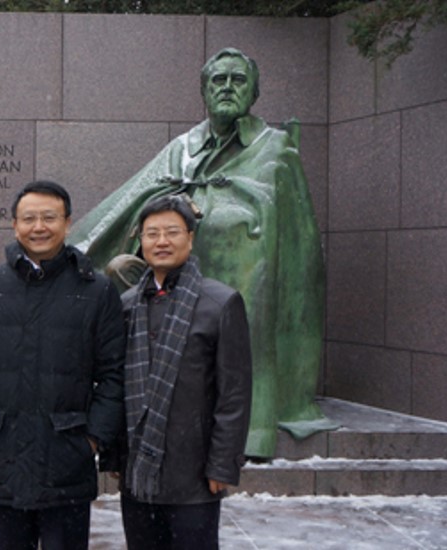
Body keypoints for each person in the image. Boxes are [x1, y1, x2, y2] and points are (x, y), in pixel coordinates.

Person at [68, 47, 335, 459]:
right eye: (218, 80)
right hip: (169, 282)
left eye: (238, 80)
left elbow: (292, 232)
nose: (227, 87)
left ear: (254, 92)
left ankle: (249, 422)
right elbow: (142, 196)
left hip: (242, 280)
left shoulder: (275, 147)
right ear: (204, 92)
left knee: (243, 251)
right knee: (119, 270)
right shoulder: (183, 148)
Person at [0, 180, 125, 550]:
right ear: (15, 225)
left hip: (67, 458)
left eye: (49, 217)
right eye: (29, 218)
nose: (38, 227)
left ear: (67, 223)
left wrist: (93, 439)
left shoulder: (96, 290)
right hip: (1, 457)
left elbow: (113, 374)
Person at [108, 195, 252, 550]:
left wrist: (223, 464)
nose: (162, 241)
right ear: (141, 241)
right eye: (152, 233)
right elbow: (115, 384)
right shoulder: (126, 305)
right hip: (138, 472)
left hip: (194, 473)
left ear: (190, 237)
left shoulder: (220, 303)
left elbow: (234, 393)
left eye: (172, 232)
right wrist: (115, 455)